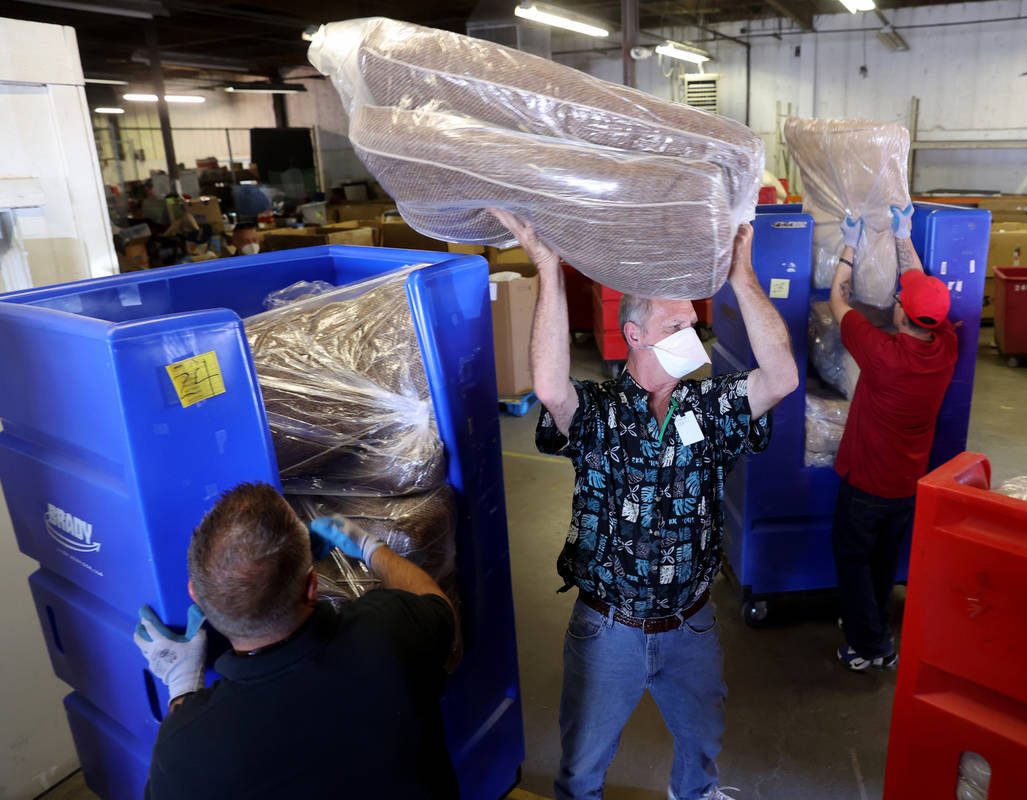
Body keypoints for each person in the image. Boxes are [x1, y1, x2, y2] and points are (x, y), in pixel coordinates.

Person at [491, 209, 798, 800]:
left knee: (703, 747)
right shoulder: (600, 408)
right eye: (675, 320)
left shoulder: (708, 406)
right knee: (581, 768)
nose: (691, 327)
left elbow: (780, 377)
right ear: (635, 334)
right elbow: (551, 388)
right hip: (610, 628)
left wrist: (741, 276)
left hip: (691, 624)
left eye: (692, 318)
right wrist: (548, 270)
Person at [134, 482, 459, 799]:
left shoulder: (183, 749)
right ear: (311, 586)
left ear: (196, 595)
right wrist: (367, 547)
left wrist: (182, 683)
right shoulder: (390, 630)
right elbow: (437, 603)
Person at [827, 203, 959, 671]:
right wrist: (903, 238)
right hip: (907, 486)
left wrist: (848, 244)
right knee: (882, 563)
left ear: (901, 318)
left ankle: (871, 647)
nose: (897, 301)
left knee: (853, 559)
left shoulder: (882, 354)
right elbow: (928, 301)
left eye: (900, 302)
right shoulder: (945, 346)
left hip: (867, 483)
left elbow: (838, 303)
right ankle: (871, 627)